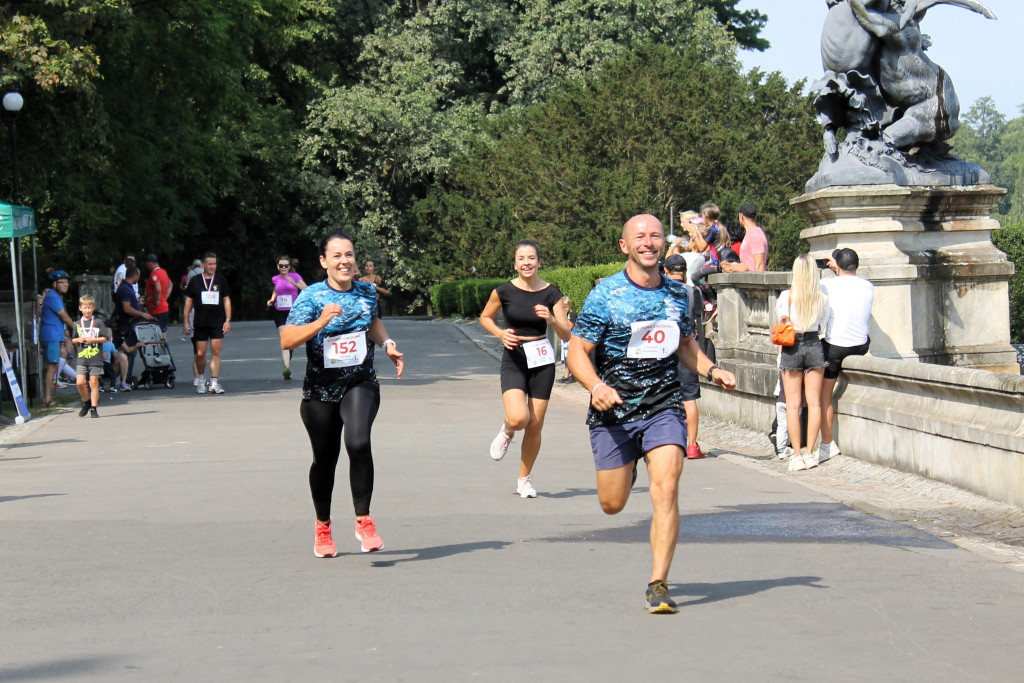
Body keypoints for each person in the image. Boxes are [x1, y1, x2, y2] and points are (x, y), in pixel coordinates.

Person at [567, 214, 736, 614]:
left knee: (667, 490)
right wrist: (596, 387)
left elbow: (685, 345)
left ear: (664, 243)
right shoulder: (606, 294)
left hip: (664, 405)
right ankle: (628, 463)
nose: (648, 242)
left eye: (655, 235)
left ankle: (658, 583)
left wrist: (712, 369)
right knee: (612, 504)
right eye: (639, 237)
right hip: (614, 410)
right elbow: (577, 351)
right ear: (625, 246)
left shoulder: (679, 294)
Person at [280, 231, 405, 559]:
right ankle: (323, 525)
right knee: (325, 460)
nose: (344, 261)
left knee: (359, 442)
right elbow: (288, 340)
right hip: (320, 390)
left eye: (348, 254)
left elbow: (374, 322)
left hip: (360, 382)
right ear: (324, 262)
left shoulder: (366, 291)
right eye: (336, 256)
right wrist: (321, 321)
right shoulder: (311, 297)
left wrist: (387, 344)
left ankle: (364, 520)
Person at [479, 240, 572, 498]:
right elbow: (485, 317)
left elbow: (566, 334)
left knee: (535, 425)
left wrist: (552, 319)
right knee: (520, 418)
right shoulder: (504, 291)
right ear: (515, 264)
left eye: (531, 258)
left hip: (542, 360)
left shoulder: (551, 293)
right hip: (515, 357)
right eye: (522, 259)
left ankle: (524, 479)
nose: (527, 263)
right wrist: (500, 333)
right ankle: (508, 429)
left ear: (539, 262)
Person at [818, 247, 874, 462]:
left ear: (837, 265)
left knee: (824, 397)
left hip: (836, 347)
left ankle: (826, 444)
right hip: (861, 345)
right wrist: (837, 266)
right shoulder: (868, 286)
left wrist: (831, 267)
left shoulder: (827, 285)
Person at [777, 254, 831, 473]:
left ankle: (796, 454)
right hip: (814, 344)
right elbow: (824, 328)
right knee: (815, 402)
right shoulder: (822, 298)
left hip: (792, 346)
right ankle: (810, 452)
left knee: (793, 405)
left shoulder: (786, 297)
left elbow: (781, 324)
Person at [662, 254, 707, 460]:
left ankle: (668, 440)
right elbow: (698, 321)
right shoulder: (693, 292)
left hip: (663, 351)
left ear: (666, 271)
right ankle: (692, 444)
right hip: (687, 348)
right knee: (689, 398)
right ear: (685, 272)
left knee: (665, 396)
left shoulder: (660, 292)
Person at [183, 253, 231, 394]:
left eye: (214, 264)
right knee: (200, 354)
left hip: (217, 322)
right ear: (203, 265)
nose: (212, 267)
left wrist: (228, 320)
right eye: (210, 264)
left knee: (216, 352)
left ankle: (214, 383)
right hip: (200, 323)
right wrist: (185, 322)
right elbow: (189, 301)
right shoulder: (196, 281)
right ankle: (202, 379)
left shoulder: (220, 279)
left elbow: (227, 300)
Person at [39, 270, 76, 407]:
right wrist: (76, 328)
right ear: (55, 284)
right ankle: (47, 399)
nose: (66, 285)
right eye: (62, 282)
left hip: (54, 334)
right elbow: (64, 316)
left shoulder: (55, 297)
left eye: (67, 282)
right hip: (51, 335)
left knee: (53, 365)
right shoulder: (53, 297)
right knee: (51, 366)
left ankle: (48, 398)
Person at [267, 255, 307, 380]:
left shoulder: (295, 276)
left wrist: (293, 283)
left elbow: (306, 289)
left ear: (289, 266)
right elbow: (276, 289)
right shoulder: (275, 278)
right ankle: (286, 368)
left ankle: (288, 357)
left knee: (291, 341)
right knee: (283, 338)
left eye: (286, 266)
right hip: (279, 311)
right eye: (281, 266)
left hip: (293, 311)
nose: (283, 268)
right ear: (277, 267)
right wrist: (272, 299)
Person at [114, 266, 156, 384]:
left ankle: (126, 377)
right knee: (130, 352)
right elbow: (127, 308)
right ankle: (126, 378)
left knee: (132, 352)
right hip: (127, 324)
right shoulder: (126, 289)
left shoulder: (126, 288)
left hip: (131, 322)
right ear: (136, 275)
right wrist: (142, 314)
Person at [72, 295, 111, 418]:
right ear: (80, 308)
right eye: (85, 308)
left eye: (89, 308)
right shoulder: (77, 323)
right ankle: (86, 402)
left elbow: (105, 338)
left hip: (95, 357)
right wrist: (79, 339)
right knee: (80, 382)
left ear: (93, 308)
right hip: (82, 357)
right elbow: (73, 339)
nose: (87, 310)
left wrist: (93, 339)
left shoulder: (98, 322)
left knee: (93, 383)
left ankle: (94, 408)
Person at [721, 203, 767, 273]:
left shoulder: (755, 234)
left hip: (752, 281)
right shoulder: (751, 233)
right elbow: (748, 264)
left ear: (741, 216)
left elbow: (759, 265)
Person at [142, 254, 173, 338]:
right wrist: (164, 297)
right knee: (163, 331)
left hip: (157, 309)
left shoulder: (154, 274)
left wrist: (156, 301)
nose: (146, 266)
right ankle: (164, 350)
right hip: (163, 306)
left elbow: (158, 288)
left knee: (159, 333)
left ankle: (164, 350)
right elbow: (170, 284)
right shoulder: (163, 272)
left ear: (150, 263)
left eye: (147, 264)